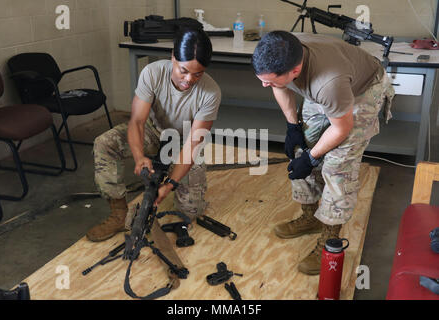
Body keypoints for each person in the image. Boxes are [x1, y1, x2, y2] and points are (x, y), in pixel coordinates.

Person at [252, 31, 394, 275]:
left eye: (270, 80)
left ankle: (329, 243)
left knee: (337, 167)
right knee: (300, 148)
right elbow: (279, 85)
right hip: (327, 86)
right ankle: (311, 218)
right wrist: (292, 127)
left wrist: (312, 157)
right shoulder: (282, 49)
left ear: (295, 71)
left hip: (363, 91)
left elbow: (342, 127)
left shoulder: (328, 82)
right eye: (261, 79)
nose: (264, 85)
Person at [86, 29, 221, 242]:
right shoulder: (152, 72)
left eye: (198, 74)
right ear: (173, 57)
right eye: (183, 71)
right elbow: (137, 121)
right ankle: (119, 215)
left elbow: (193, 145)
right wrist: (140, 157)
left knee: (190, 212)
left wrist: (170, 185)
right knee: (105, 143)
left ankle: (171, 173)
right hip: (153, 130)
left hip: (183, 141)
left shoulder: (211, 92)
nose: (189, 80)